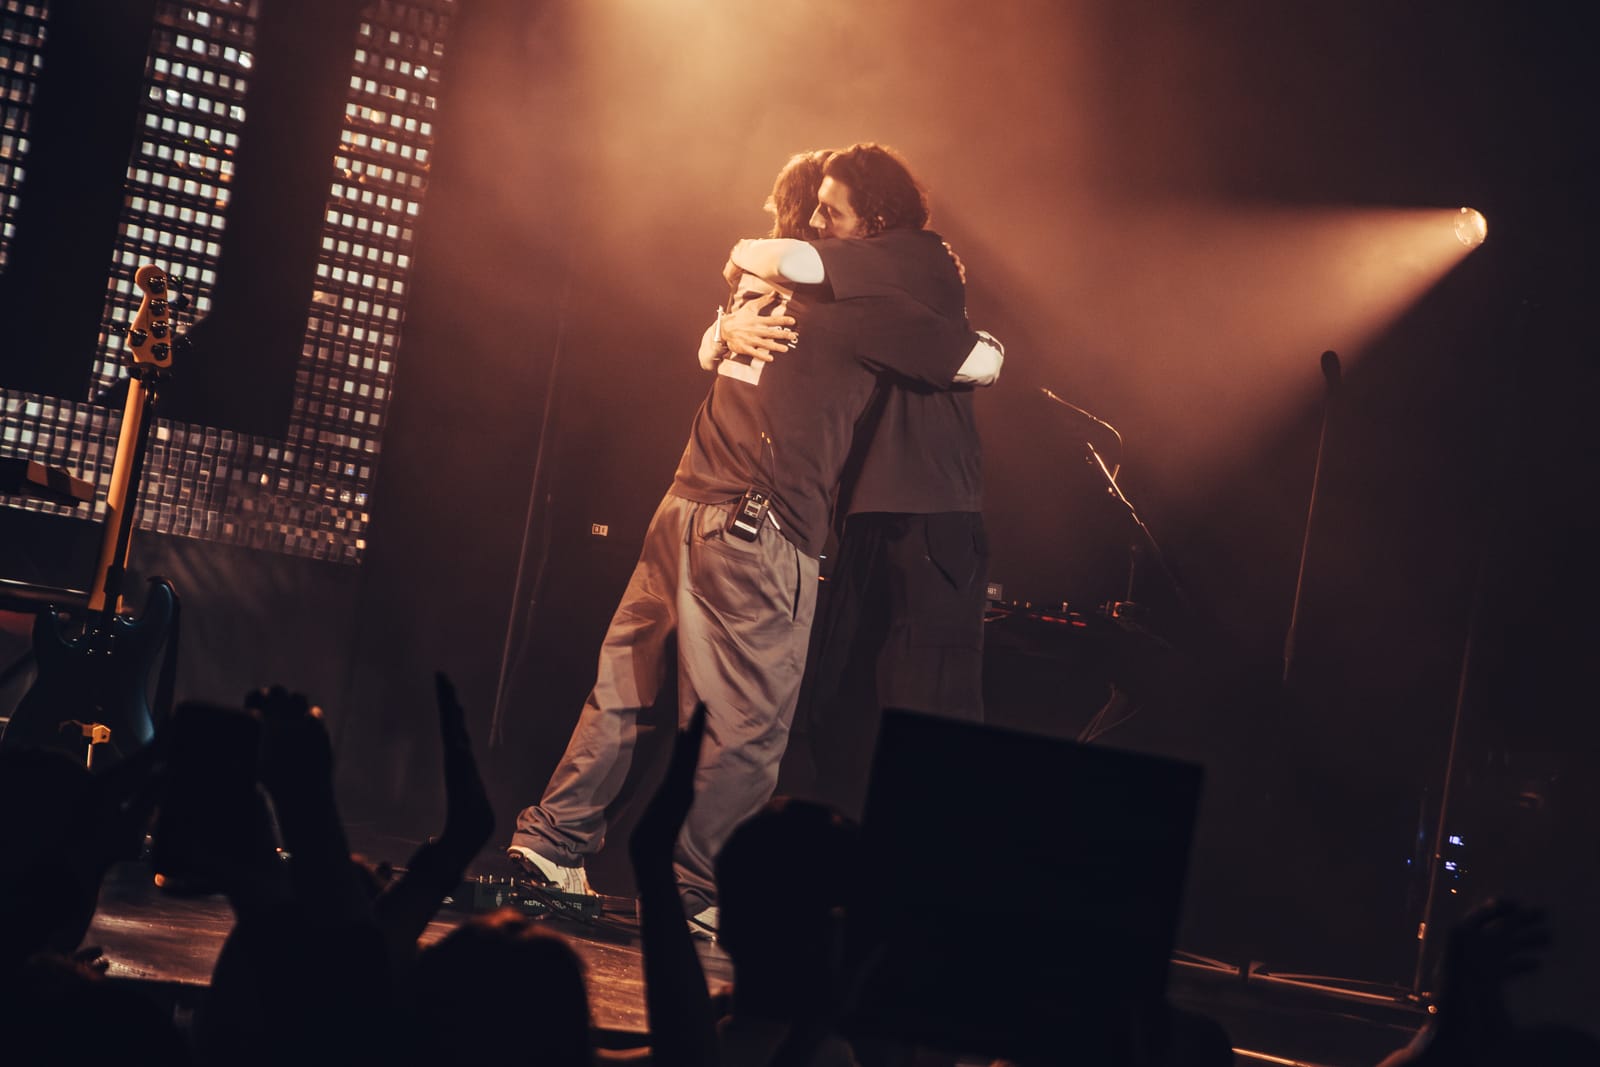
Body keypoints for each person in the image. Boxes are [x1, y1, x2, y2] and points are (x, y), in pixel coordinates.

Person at [507, 150, 1001, 931]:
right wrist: (989, 346)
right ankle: (701, 893)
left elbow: (728, 331)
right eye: (821, 210)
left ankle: (551, 845)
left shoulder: (759, 286)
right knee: (747, 725)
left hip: (683, 506)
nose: (819, 224)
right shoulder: (863, 300)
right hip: (758, 525)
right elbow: (976, 362)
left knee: (626, 689)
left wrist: (717, 329)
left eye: (831, 212)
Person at [724, 142, 995, 820]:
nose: (817, 224)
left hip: (932, 514)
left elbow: (979, 361)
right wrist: (723, 329)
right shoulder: (870, 274)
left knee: (925, 709)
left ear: (875, 218)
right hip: (872, 514)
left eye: (831, 210)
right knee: (843, 702)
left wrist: (742, 253)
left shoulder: (913, 255)